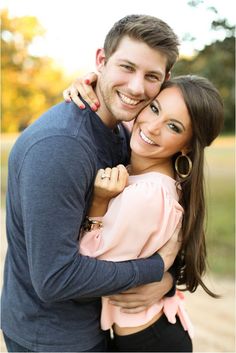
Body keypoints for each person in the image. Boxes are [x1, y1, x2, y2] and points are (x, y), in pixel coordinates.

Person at [1, 15, 181, 352]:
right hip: (54, 339)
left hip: (93, 325)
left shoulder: (129, 133)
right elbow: (55, 279)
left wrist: (169, 279)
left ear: (164, 81)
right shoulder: (60, 148)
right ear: (101, 61)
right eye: (126, 67)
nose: (136, 87)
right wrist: (155, 269)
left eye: (151, 76)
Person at [66, 75, 224, 352]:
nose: (151, 127)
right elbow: (123, 107)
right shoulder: (152, 174)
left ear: (187, 145)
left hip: (149, 341)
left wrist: (98, 203)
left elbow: (83, 266)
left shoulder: (146, 196)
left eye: (173, 126)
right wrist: (89, 86)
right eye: (154, 108)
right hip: (144, 334)